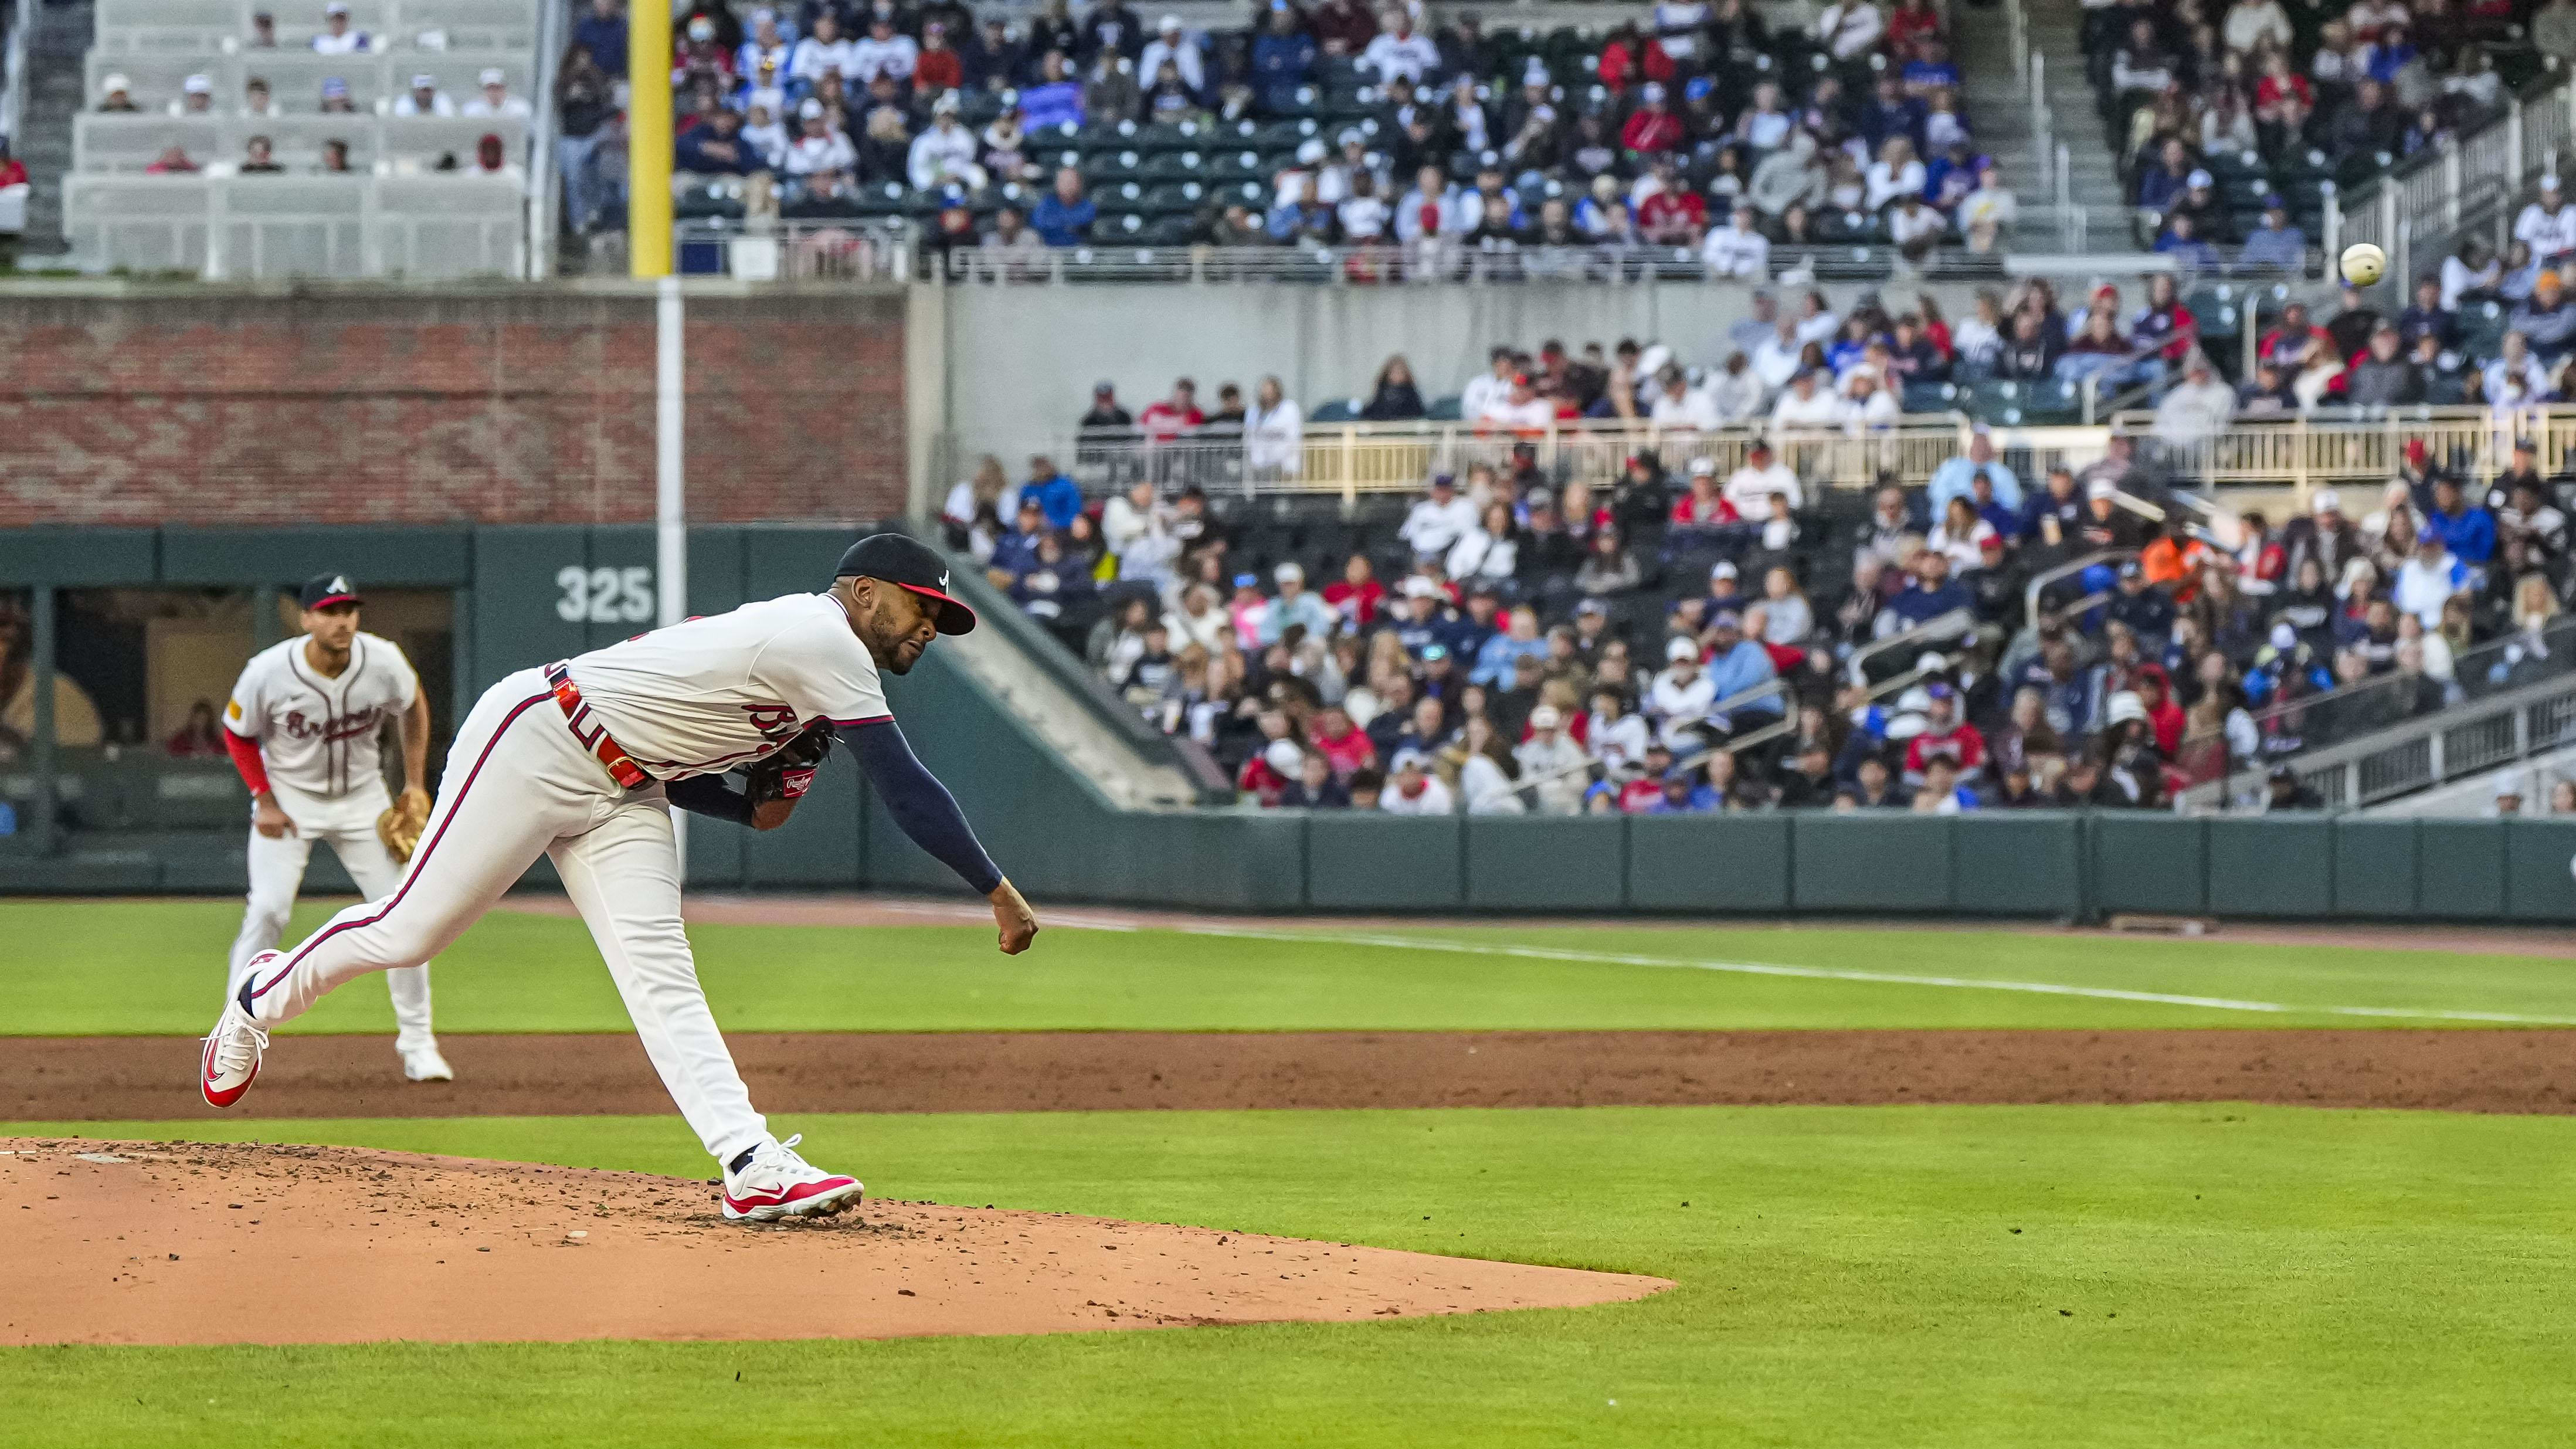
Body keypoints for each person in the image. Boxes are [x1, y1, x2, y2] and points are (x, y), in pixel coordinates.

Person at [201, 535, 1041, 1224]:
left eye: (940, 617)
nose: (930, 625)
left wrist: (770, 790)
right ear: (861, 592)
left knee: (662, 975)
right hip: (543, 733)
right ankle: (256, 998)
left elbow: (744, 808)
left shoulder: (818, 678)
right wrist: (994, 886)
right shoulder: (823, 636)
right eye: (919, 605)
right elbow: (906, 787)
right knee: (412, 929)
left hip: (628, 783)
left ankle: (749, 1160)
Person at [216, 574, 449, 1084]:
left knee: (405, 919)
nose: (342, 619)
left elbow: (413, 706)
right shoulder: (269, 671)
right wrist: (264, 799)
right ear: (306, 619)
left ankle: (418, 1044)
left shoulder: (382, 659)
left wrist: (413, 783)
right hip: (292, 801)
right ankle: (233, 1029)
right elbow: (237, 734)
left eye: (349, 609)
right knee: (269, 909)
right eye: (329, 610)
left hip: (363, 800)